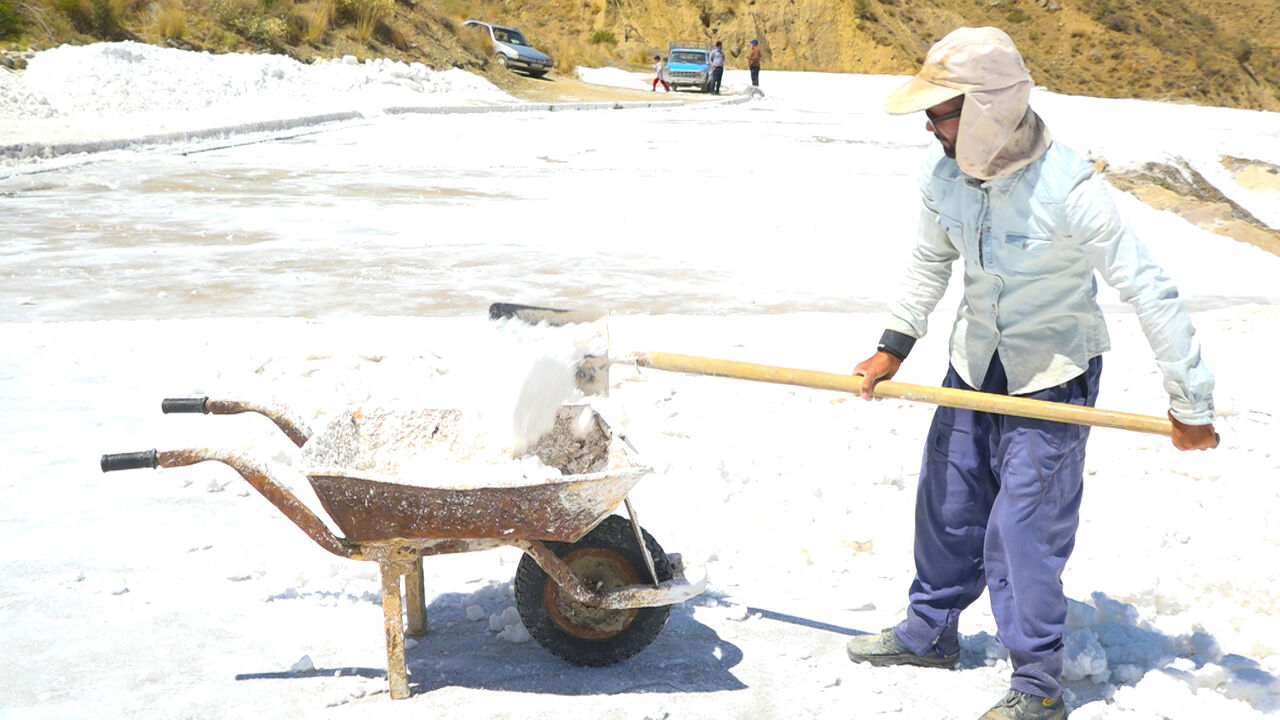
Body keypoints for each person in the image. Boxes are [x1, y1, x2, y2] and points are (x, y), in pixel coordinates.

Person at [844, 26, 1219, 720]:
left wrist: (1189, 401)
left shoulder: (1069, 187)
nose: (930, 125)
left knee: (1023, 527)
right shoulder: (942, 176)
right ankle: (929, 632)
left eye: (942, 111)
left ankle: (1039, 683)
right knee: (947, 502)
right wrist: (893, 346)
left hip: (1051, 371)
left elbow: (1148, 287)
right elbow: (930, 262)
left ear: (988, 109)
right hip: (971, 361)